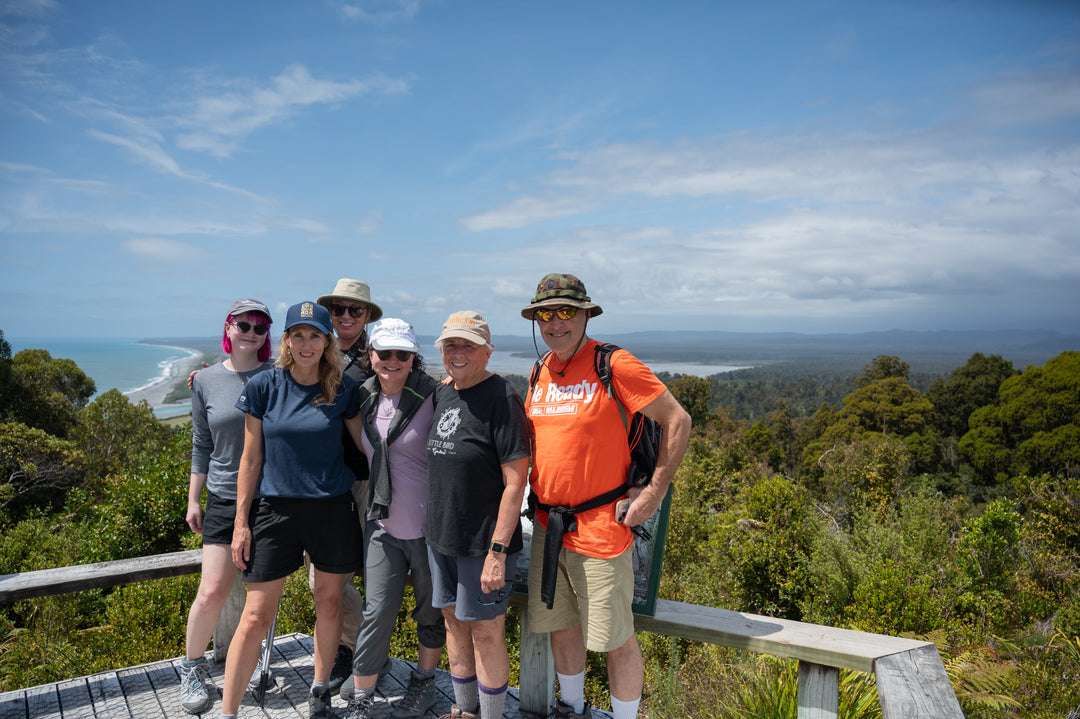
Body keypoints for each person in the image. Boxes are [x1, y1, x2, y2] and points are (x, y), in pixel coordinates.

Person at [521, 274, 691, 719]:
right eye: (546, 314)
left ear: (584, 314)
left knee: (615, 638)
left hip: (601, 530)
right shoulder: (540, 371)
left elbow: (678, 420)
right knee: (560, 626)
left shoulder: (612, 364)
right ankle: (571, 707)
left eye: (565, 312)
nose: (555, 323)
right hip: (547, 525)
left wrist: (653, 491)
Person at [219, 301, 366, 719]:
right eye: (298, 335)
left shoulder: (343, 388)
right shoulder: (266, 386)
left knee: (330, 603)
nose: (306, 344)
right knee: (255, 615)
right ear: (286, 340)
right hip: (275, 512)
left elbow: (368, 447)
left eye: (315, 335)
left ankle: (319, 697)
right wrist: (241, 524)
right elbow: (250, 460)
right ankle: (228, 711)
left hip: (331, 510)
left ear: (327, 341)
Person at [422, 311, 530, 719]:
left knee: (486, 630)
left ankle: (490, 714)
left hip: (484, 543)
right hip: (442, 536)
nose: (458, 352)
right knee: (453, 622)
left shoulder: (502, 398)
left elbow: (515, 482)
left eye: (468, 344)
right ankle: (464, 709)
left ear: (488, 350)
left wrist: (498, 552)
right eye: (451, 345)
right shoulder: (443, 393)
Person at [343, 318, 445, 719]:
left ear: (413, 358)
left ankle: (423, 684)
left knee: (429, 611)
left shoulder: (435, 396)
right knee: (376, 610)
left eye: (402, 354)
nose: (392, 360)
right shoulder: (361, 398)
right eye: (384, 352)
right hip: (382, 523)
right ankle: (362, 698)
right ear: (371, 355)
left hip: (428, 528)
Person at [178, 299, 274, 715]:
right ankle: (192, 668)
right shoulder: (205, 381)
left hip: (270, 497)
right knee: (214, 588)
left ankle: (250, 661)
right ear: (229, 327)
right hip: (221, 494)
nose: (252, 332)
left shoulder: (279, 376)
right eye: (244, 325)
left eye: (260, 327)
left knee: (258, 598)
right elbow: (202, 443)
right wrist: (193, 498)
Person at [315, 278, 385, 691]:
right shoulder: (316, 350)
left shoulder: (380, 355)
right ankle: (354, 647)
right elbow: (274, 385)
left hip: (363, 478)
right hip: (320, 480)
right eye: (338, 309)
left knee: (366, 572)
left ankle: (361, 653)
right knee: (325, 579)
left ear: (367, 316)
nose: (345, 316)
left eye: (354, 310)